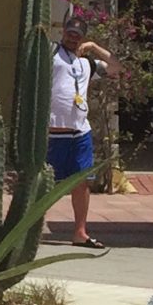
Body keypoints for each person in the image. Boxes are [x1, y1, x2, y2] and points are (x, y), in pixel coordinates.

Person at [48, 13, 112, 248]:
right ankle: (30, 229)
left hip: (80, 130)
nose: (73, 38)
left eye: (78, 35)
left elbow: (116, 67)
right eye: (70, 33)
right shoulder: (53, 54)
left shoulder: (87, 64)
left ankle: (80, 231)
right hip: (56, 129)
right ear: (64, 33)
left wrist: (94, 47)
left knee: (82, 182)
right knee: (48, 182)